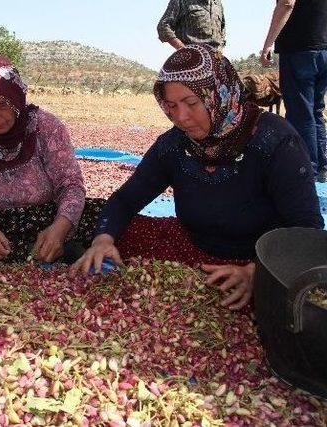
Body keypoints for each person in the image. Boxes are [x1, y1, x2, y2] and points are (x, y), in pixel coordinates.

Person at [72, 44, 323, 311]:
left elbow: (306, 229)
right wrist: (103, 240)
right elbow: (125, 200)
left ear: (220, 95)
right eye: (171, 106)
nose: (181, 117)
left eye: (192, 103)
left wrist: (256, 273)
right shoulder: (174, 145)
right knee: (92, 218)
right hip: (191, 247)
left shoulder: (274, 141)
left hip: (260, 261)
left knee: (295, 300)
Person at [0, 54, 104, 263]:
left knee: (103, 216)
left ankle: (59, 245)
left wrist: (59, 229)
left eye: (2, 105)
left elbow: (70, 185)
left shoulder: (46, 127)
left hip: (43, 220)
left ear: (16, 99)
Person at [260, 0, 327, 182]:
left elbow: (287, 3)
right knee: (315, 112)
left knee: (301, 115)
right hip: (322, 49)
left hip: (300, 50)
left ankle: (306, 172)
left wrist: (267, 44)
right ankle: (322, 168)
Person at [157, 0, 225, 51]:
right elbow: (163, 26)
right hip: (190, 59)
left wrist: (220, 47)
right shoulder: (181, 1)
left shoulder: (218, 3)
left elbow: (222, 28)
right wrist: (182, 49)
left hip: (216, 59)